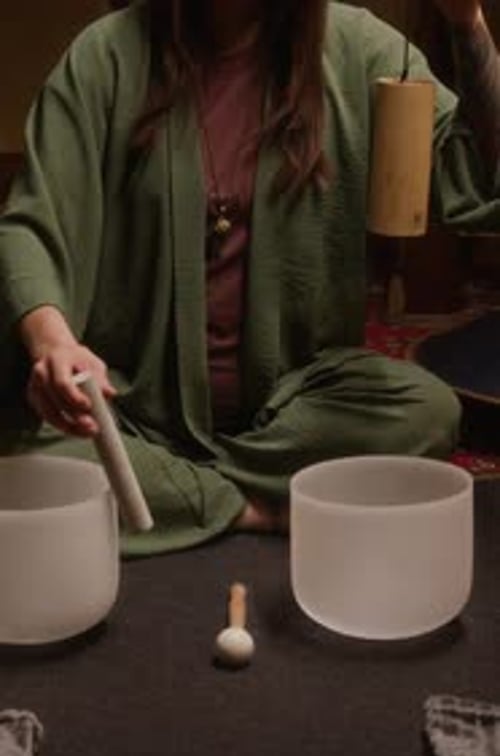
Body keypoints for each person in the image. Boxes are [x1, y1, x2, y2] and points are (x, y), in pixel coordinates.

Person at [0, 0, 499, 557]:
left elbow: (478, 179)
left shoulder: (357, 47)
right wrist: (55, 343)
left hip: (291, 410)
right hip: (130, 403)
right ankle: (251, 509)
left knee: (423, 411)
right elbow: (31, 222)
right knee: (25, 441)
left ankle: (168, 494)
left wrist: (467, 26)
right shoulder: (107, 55)